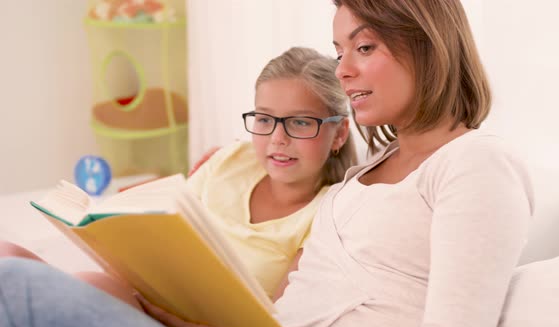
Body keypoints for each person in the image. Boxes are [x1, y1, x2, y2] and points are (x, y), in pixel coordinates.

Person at [0, 0, 534, 327]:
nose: (343, 71)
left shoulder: (475, 163)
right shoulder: (364, 175)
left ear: (429, 47)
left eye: (363, 47)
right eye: (338, 51)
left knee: (14, 284)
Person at [0, 46, 355, 308]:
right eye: (264, 119)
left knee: (43, 284)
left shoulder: (328, 214)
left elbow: (280, 319)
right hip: (154, 299)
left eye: (300, 122)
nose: (278, 138)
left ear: (338, 134)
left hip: (194, 325)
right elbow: (167, 228)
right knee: (8, 253)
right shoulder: (232, 159)